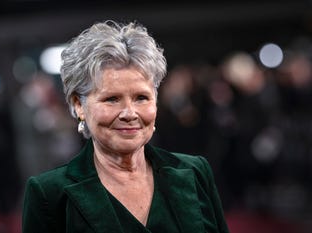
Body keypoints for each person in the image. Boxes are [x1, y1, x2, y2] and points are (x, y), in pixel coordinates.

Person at [22, 20, 230, 233]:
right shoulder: (49, 194)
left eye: (141, 98)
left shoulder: (195, 172)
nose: (130, 113)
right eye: (112, 99)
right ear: (79, 105)